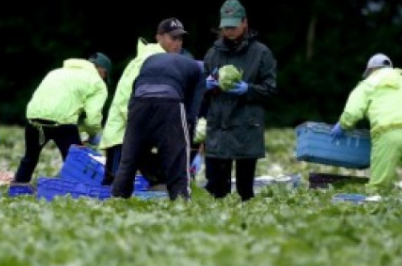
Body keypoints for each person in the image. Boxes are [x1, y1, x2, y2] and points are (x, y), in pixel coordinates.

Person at [330, 53, 402, 195]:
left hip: (388, 134)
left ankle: (373, 207)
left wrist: (343, 125)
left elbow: (353, 112)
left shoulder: (368, 84)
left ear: (371, 70)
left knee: (378, 185)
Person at [202, 0, 277, 202]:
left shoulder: (261, 53)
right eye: (226, 27)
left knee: (245, 190)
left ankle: (247, 226)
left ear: (245, 22)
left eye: (233, 26)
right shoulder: (213, 53)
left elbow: (270, 89)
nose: (229, 31)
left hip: (247, 125)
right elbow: (200, 88)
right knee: (216, 189)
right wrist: (205, 86)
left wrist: (248, 89)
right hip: (218, 126)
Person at [99, 18, 190, 185]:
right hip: (122, 135)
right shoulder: (148, 61)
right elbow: (125, 99)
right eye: (173, 38)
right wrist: (141, 126)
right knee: (113, 185)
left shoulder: (163, 60)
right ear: (159, 37)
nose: (178, 43)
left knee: (154, 178)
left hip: (138, 133)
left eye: (180, 38)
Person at [110, 53, 205, 200]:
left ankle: (118, 197)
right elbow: (192, 114)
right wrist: (187, 142)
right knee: (177, 158)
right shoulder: (199, 73)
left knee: (130, 157)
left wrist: (133, 119)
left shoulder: (151, 59)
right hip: (170, 100)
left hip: (139, 102)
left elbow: (136, 86)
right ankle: (180, 199)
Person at [11, 53, 111, 184]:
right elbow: (93, 119)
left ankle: (18, 186)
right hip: (63, 124)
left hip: (34, 120)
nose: (103, 79)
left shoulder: (56, 72)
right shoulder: (97, 83)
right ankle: (79, 189)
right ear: (102, 70)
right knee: (76, 161)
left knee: (30, 158)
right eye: (105, 75)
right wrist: (92, 136)